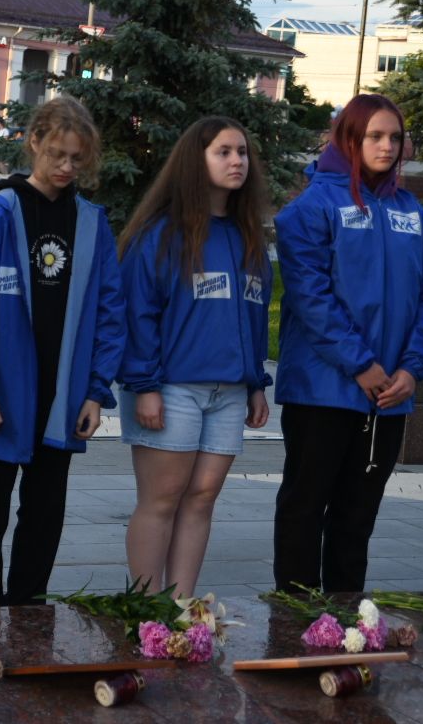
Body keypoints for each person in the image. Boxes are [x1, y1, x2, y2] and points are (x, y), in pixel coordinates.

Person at [0, 97, 125, 608]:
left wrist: (95, 392)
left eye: (77, 159)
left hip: (61, 397)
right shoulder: (0, 216)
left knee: (44, 517)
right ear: (33, 144)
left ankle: (27, 621)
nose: (67, 167)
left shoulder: (91, 222)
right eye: (56, 155)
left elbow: (111, 313)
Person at [273, 93, 423, 592]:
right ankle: (297, 619)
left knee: (358, 515)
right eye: (374, 136)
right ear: (348, 139)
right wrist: (360, 365)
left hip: (390, 394)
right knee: (306, 508)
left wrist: (412, 370)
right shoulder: (310, 208)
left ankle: (346, 621)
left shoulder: (410, 211)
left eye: (395, 137)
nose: (387, 146)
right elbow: (312, 298)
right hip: (324, 390)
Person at [117, 116, 273, 598]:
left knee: (202, 498)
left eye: (242, 152)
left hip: (228, 393)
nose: (236, 161)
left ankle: (181, 611)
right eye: (223, 152)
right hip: (170, 388)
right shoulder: (161, 236)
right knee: (161, 500)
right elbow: (137, 314)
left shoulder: (249, 238)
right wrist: (144, 386)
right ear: (195, 161)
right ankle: (146, 611)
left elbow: (254, 317)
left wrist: (254, 384)